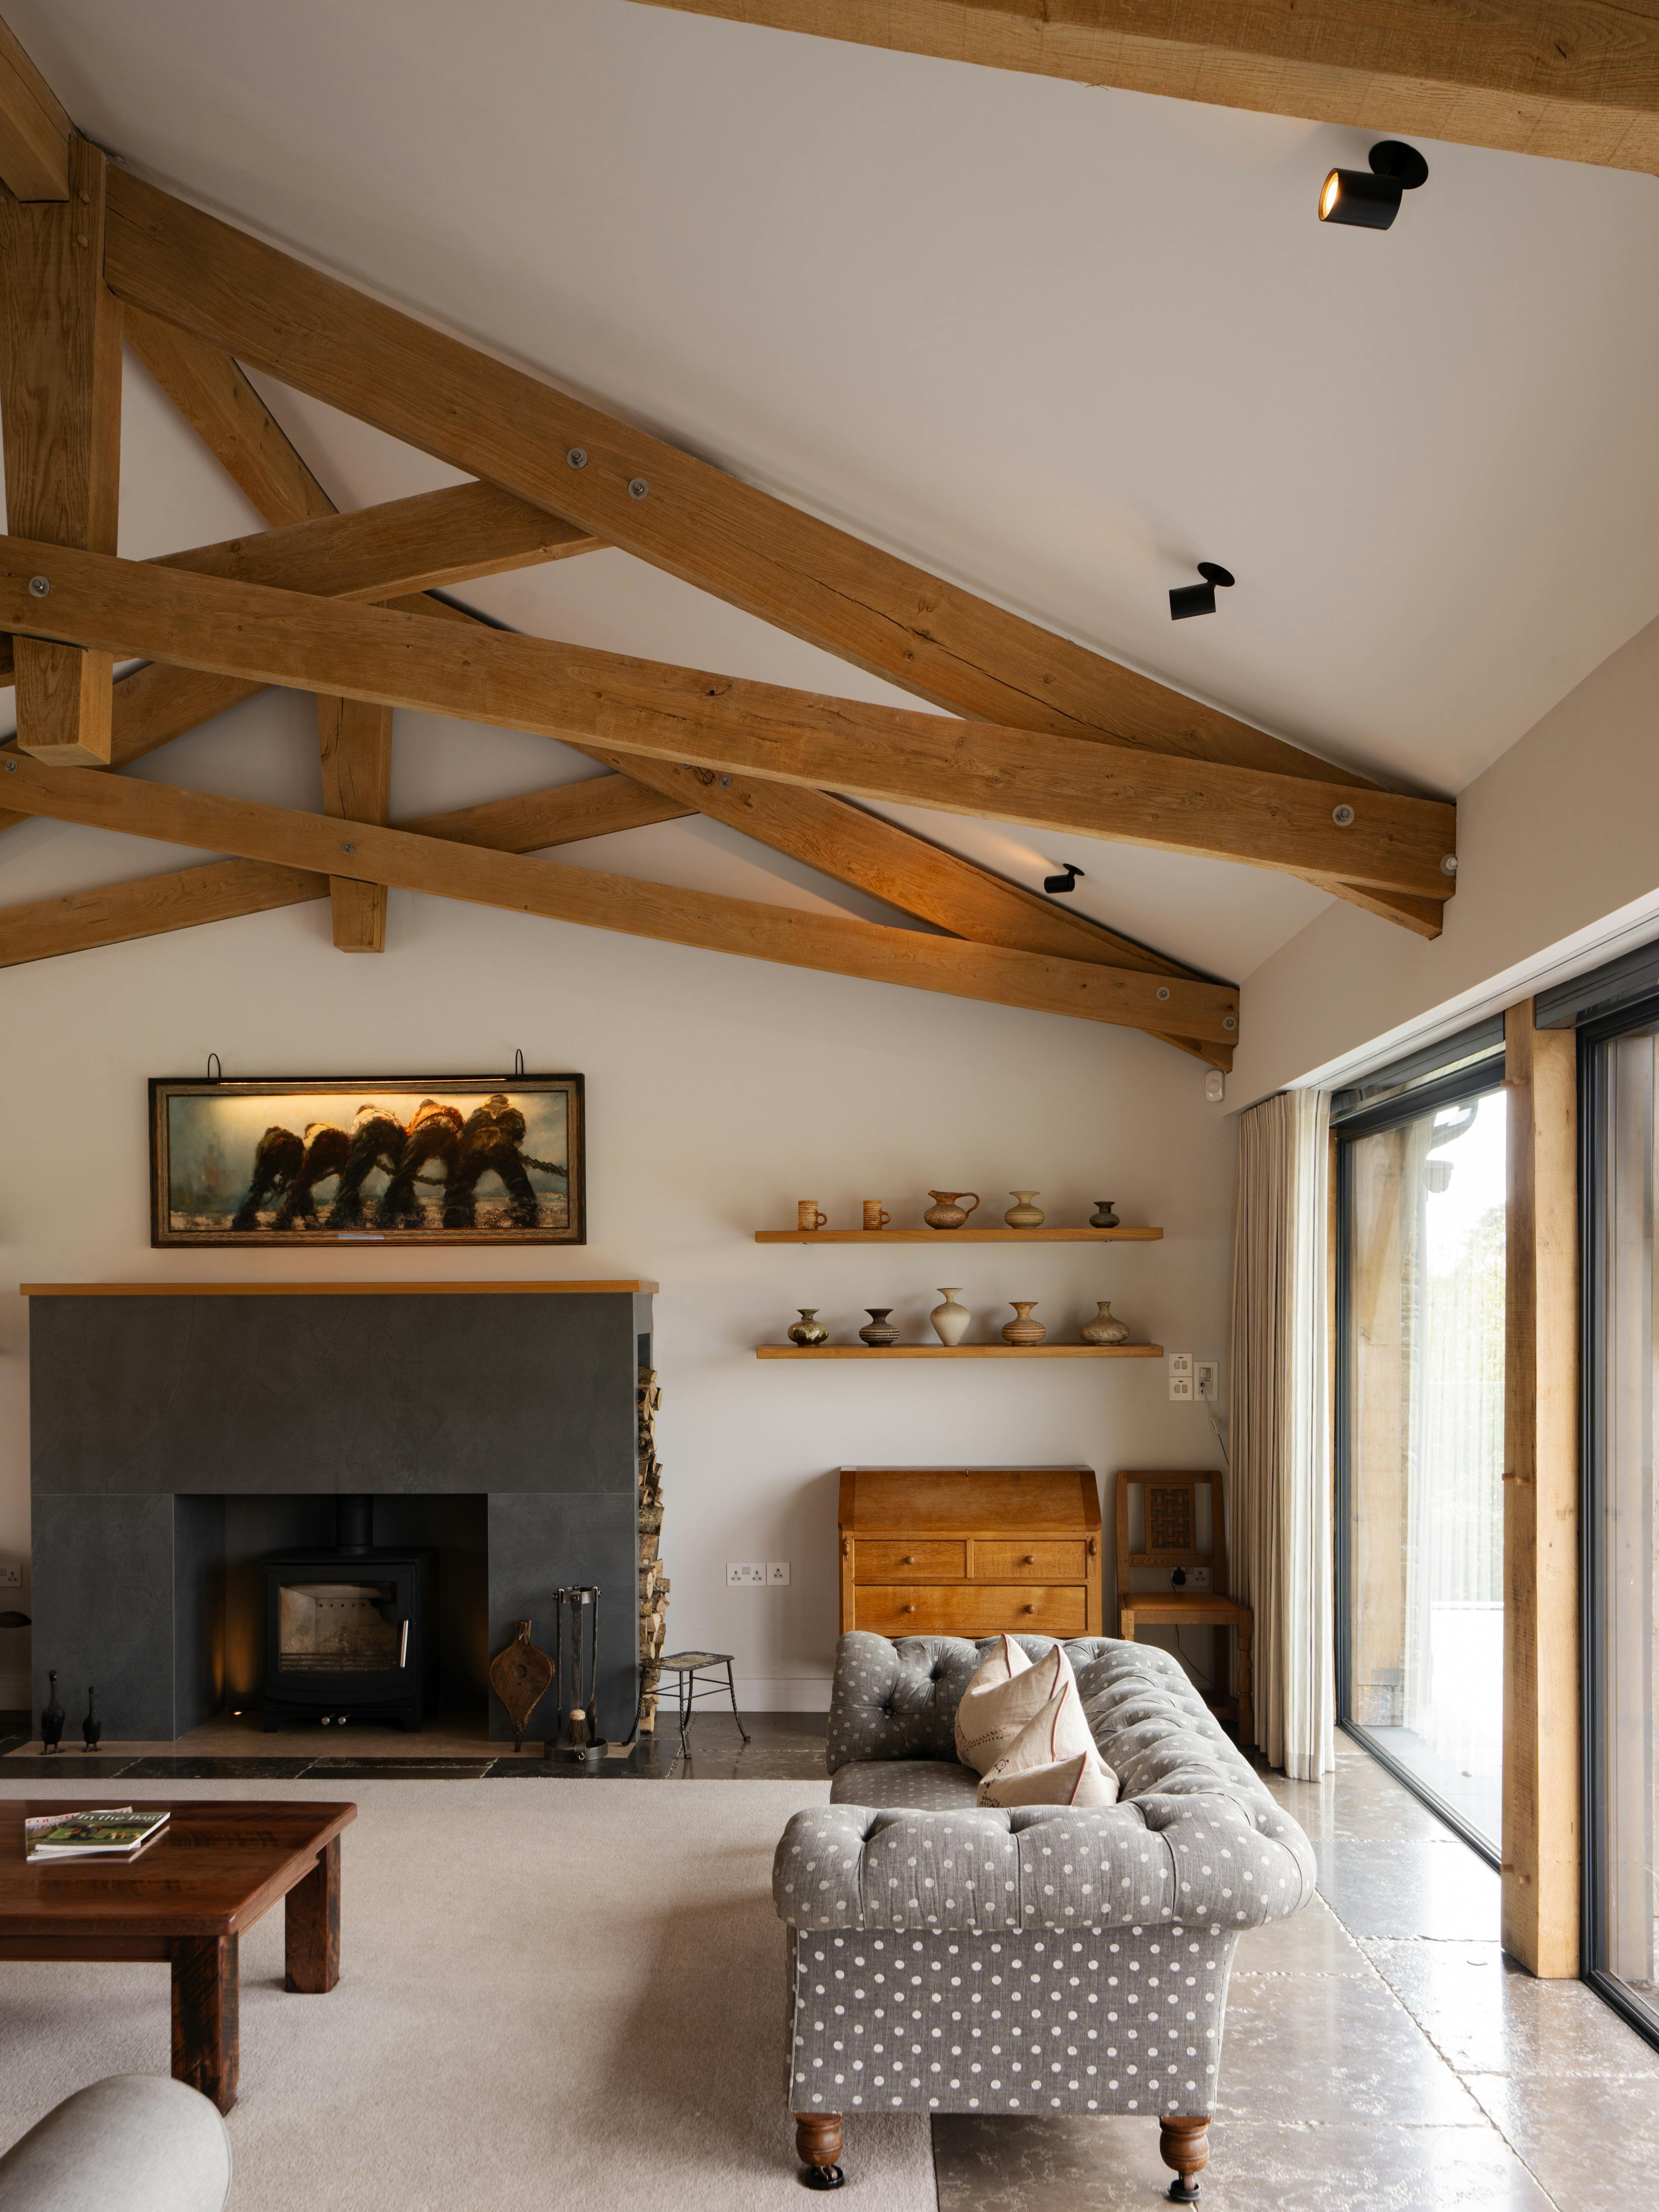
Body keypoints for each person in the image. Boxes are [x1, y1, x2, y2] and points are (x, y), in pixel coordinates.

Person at [375, 1098, 464, 1227]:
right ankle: (454, 1212)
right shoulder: (448, 1109)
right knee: (455, 1175)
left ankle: (388, 1214)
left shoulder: (419, 1114)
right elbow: (462, 1126)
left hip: (425, 1130)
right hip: (448, 1131)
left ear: (422, 1107)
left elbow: (408, 1135)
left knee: (404, 1175)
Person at [325, 1103, 408, 1228]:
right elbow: (402, 1132)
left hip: (370, 1131)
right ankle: (398, 1211)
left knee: (352, 1180)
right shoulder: (387, 1114)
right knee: (403, 1176)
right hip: (392, 1132)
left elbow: (354, 1141)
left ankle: (343, 1215)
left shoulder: (362, 1117)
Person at [231, 1125, 303, 1231]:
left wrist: (266, 1184)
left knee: (258, 1189)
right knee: (298, 1187)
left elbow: (260, 1174)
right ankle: (287, 1218)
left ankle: (245, 1219)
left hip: (279, 1153)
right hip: (296, 1150)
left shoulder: (265, 1143)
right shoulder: (291, 1138)